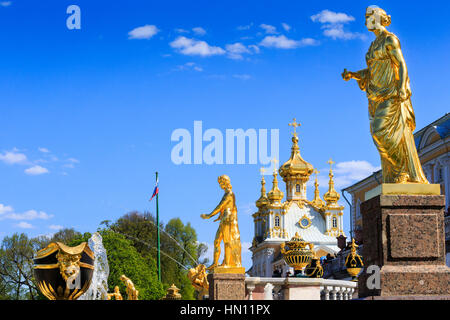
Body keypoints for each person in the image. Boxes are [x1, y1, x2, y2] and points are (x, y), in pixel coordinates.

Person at [342, 6, 428, 184]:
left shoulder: (390, 39)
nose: (365, 21)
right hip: (377, 96)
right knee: (379, 133)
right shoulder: (373, 44)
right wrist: (353, 75)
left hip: (392, 94)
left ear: (376, 18)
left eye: (368, 17)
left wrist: (402, 87)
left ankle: (402, 170)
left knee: (380, 132)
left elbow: (401, 64)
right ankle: (398, 171)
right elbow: (372, 71)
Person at [201, 175, 242, 270]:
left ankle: (227, 263)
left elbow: (220, 206)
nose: (220, 185)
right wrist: (219, 216)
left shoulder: (230, 194)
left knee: (227, 241)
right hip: (224, 219)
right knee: (217, 241)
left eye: (221, 183)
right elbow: (224, 207)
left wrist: (209, 215)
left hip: (228, 220)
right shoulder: (226, 194)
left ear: (225, 182)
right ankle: (215, 263)